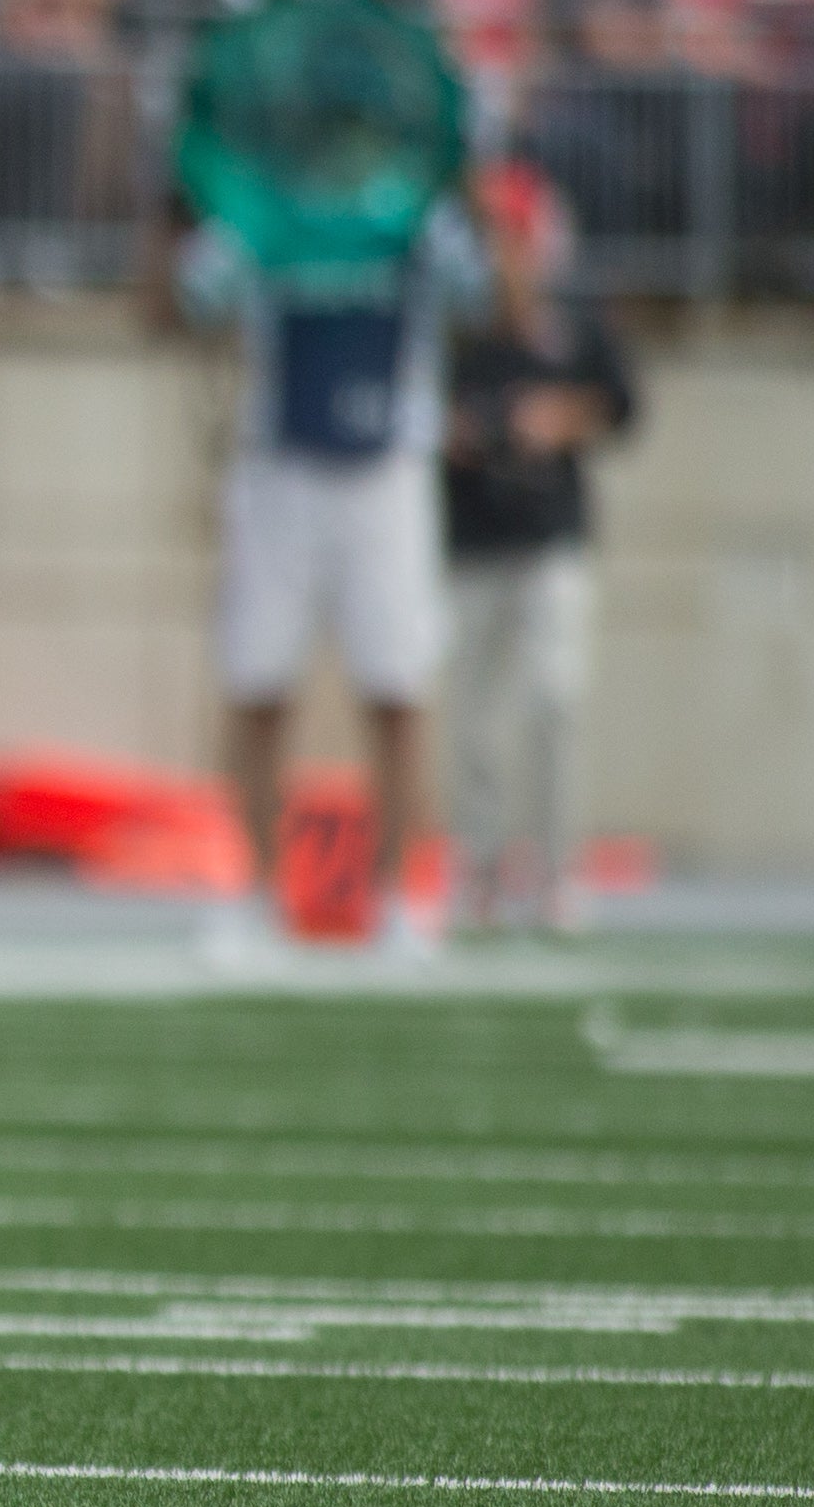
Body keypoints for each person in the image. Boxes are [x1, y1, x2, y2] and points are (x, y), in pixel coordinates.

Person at [181, 175, 484, 963]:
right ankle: (252, 895)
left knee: (397, 689)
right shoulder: (264, 206)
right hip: (278, 461)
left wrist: (473, 205)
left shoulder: (418, 211)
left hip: (387, 468)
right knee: (257, 684)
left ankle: (398, 898)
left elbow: (483, 297)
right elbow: (192, 295)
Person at [436, 166, 632, 938]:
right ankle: (479, 875)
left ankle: (554, 873)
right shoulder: (456, 325)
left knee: (554, 699)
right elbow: (426, 409)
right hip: (476, 535)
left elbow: (622, 405)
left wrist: (557, 418)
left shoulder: (576, 321)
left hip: (551, 534)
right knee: (474, 721)